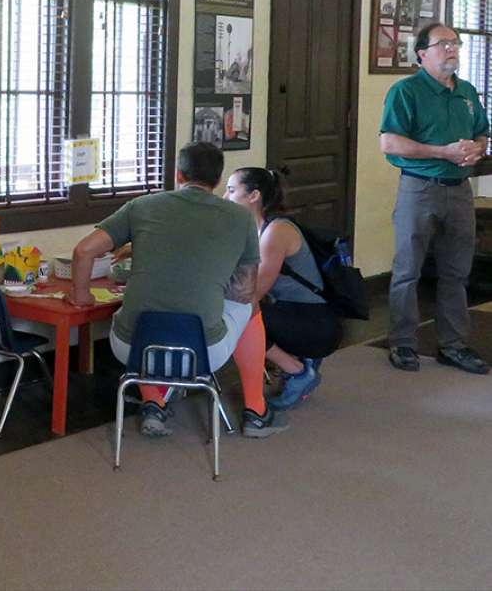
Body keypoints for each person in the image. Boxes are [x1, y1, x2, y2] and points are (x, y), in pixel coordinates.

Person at [68, 141, 275, 437]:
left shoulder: (141, 206)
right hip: (204, 352)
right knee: (251, 307)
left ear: (178, 174)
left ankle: (153, 403)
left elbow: (83, 251)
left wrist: (81, 295)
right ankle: (256, 410)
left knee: (137, 309)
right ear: (218, 181)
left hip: (132, 350)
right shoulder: (240, 217)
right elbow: (243, 291)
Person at [380, 22, 490, 374]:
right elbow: (390, 143)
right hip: (419, 188)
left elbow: (482, 134)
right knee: (408, 269)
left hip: (459, 190)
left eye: (455, 43)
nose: (452, 49)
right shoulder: (406, 91)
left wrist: (477, 149)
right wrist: (440, 152)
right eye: (443, 44)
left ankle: (453, 344)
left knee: (457, 271)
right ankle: (402, 343)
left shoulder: (467, 92)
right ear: (422, 53)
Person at [224, 168, 343, 409]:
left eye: (231, 190)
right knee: (237, 311)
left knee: (239, 317)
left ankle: (297, 370)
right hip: (293, 312)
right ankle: (297, 363)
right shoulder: (256, 228)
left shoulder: (275, 232)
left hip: (315, 323)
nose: (225, 198)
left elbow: (253, 294)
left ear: (253, 196)